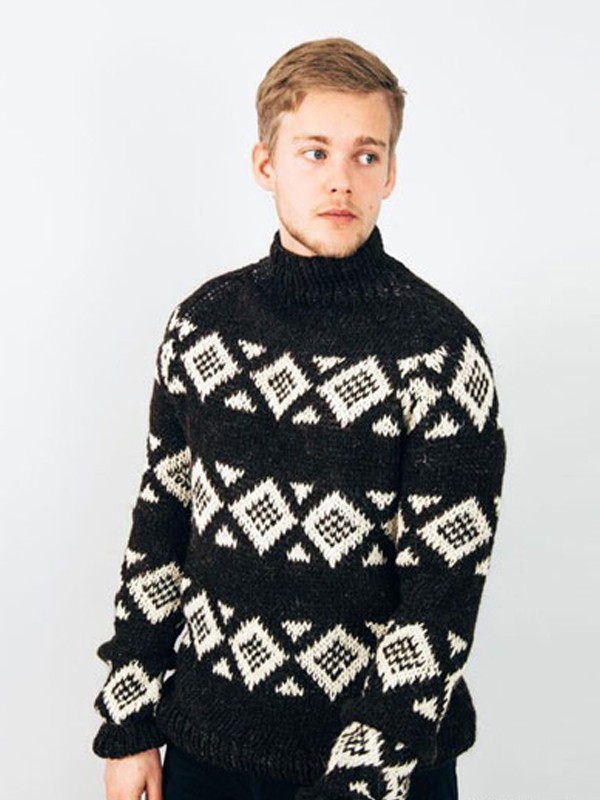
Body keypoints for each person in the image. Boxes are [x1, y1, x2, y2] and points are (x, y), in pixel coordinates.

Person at [92, 37, 507, 800]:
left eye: (365, 155)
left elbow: (441, 600)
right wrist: (130, 723)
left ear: (391, 173)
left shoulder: (440, 352)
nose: (341, 179)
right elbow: (160, 532)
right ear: (266, 165)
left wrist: (361, 780)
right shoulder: (203, 328)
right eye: (314, 152)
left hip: (388, 771)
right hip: (206, 754)